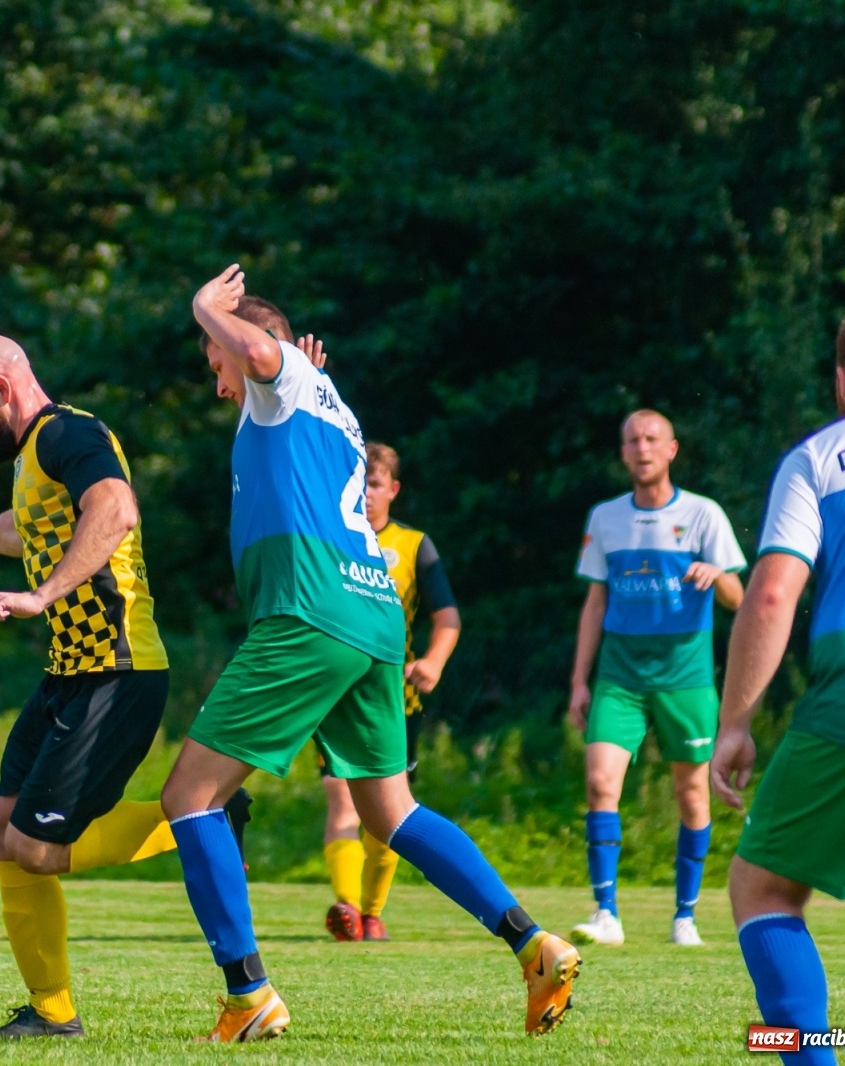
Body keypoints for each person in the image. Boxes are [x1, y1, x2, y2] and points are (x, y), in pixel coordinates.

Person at [160, 265, 579, 1043]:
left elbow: (259, 359)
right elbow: (273, 377)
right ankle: (534, 943)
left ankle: (247, 993)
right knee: (391, 812)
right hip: (375, 619)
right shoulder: (327, 401)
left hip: (310, 613)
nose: (215, 379)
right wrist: (284, 366)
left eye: (210, 358)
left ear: (253, 338)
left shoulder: (278, 377)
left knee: (190, 797)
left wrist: (204, 308)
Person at [0, 333, 248, 1040]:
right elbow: (34, 526)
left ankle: (201, 820)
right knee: (2, 831)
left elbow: (116, 509)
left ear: (2, 389)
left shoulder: (71, 433)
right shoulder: (35, 453)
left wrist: (41, 597)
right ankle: (50, 1014)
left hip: (116, 676)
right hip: (69, 674)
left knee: (35, 847)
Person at [712, 303, 845, 1065]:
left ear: (843, 382)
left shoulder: (820, 456)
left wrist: (737, 722)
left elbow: (770, 595)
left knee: (763, 892)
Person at [568, 410, 746, 947]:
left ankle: (684, 916)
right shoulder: (604, 518)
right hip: (620, 677)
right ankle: (606, 914)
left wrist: (717, 576)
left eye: (652, 439)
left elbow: (741, 599)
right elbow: (595, 601)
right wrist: (579, 680)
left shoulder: (703, 514)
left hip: (685, 678)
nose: (642, 448)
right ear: (623, 453)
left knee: (691, 793)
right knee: (600, 783)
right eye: (632, 440)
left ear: (671, 450)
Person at [322, 442, 461, 943]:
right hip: (335, 691)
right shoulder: (332, 537)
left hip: (395, 698)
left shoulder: (414, 545)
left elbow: (447, 617)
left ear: (393, 490)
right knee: (341, 800)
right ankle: (347, 907)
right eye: (357, 483)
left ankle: (373, 911)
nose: (364, 494)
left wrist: (433, 662)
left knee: (387, 810)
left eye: (374, 484)